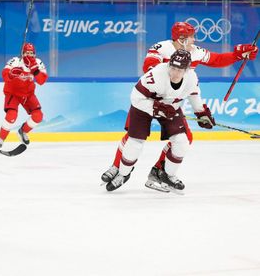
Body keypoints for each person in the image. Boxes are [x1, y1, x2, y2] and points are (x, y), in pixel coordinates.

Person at [101, 21, 258, 189]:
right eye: (192, 37)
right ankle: (118, 167)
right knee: (134, 136)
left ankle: (160, 170)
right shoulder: (161, 48)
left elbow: (216, 60)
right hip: (149, 98)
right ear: (182, 39)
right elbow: (149, 69)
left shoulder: (195, 52)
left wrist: (239, 55)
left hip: (171, 101)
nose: (194, 40)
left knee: (184, 138)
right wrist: (161, 99)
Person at [106, 50, 215, 192]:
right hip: (144, 107)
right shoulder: (156, 74)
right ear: (169, 65)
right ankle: (123, 173)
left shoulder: (192, 78)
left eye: (179, 70)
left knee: (182, 141)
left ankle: (166, 175)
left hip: (170, 108)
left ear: (187, 70)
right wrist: (156, 107)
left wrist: (201, 112)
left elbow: (193, 95)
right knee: (135, 143)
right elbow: (136, 97)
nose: (175, 73)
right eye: (173, 68)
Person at [0, 43, 48, 148]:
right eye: (27, 53)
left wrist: (35, 69)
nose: (29, 55)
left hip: (28, 94)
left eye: (31, 53)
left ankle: (23, 131)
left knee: (38, 116)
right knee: (11, 116)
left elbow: (42, 81)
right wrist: (11, 74)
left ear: (35, 54)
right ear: (22, 53)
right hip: (13, 93)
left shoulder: (38, 63)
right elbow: (4, 75)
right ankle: (1, 139)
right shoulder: (15, 61)